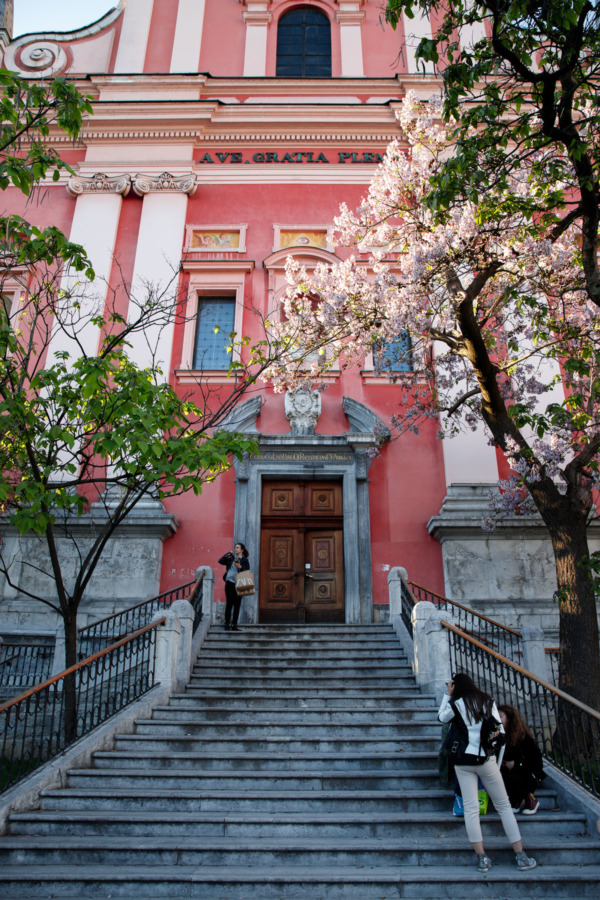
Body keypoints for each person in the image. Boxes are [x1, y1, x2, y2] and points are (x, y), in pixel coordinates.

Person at [438, 673, 537, 874]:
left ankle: (482, 858)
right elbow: (499, 732)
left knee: (471, 809)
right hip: (486, 760)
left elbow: (441, 717)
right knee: (504, 807)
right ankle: (520, 855)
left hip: (463, 762)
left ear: (455, 686)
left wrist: (447, 695)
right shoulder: (487, 701)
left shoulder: (456, 704)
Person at [498, 704, 545, 815]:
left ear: (509, 719)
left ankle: (529, 799)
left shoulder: (522, 737)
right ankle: (515, 801)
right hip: (508, 770)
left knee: (512, 776)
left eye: (500, 716)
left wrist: (516, 764)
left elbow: (534, 760)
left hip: (527, 772)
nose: (497, 720)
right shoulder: (500, 735)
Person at [218, 542, 249, 631]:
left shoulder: (245, 560)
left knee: (237, 605)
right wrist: (228, 554)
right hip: (229, 583)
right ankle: (227, 624)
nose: (235, 549)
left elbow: (247, 571)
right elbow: (220, 561)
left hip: (239, 583)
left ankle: (234, 625)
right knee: (229, 604)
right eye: (235, 547)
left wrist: (240, 567)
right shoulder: (231, 558)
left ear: (242, 550)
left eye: (237, 548)